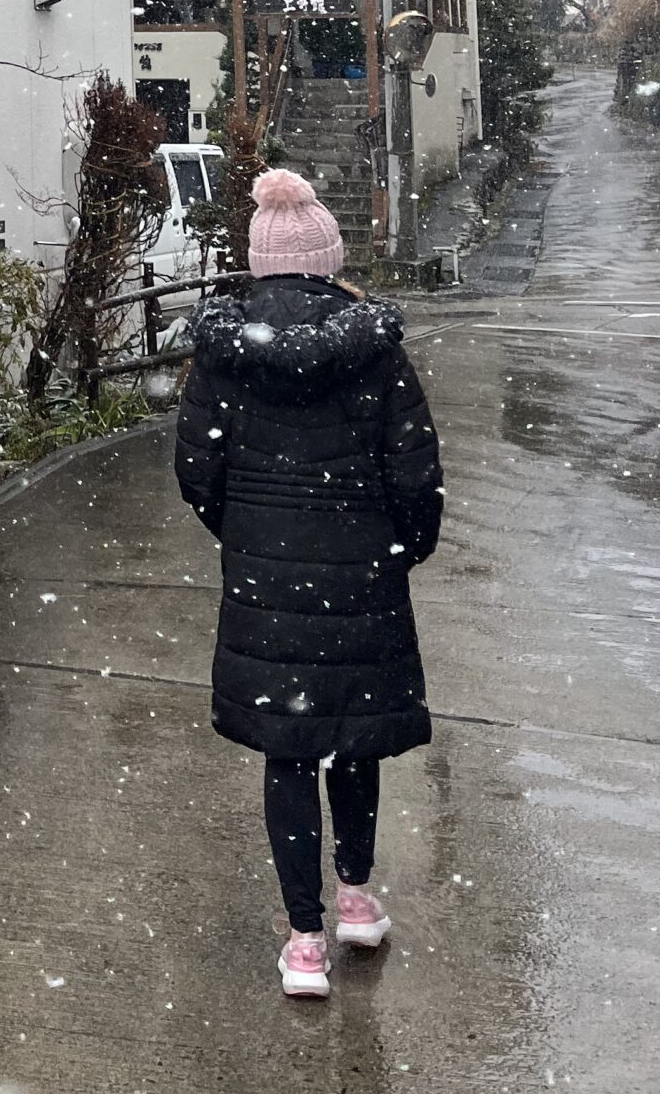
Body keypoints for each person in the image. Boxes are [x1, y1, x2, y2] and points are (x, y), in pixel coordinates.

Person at [174, 164, 443, 998]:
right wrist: (402, 549)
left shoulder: (223, 354)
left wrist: (248, 534)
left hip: (265, 580)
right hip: (362, 575)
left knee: (289, 753)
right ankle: (356, 896)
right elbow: (415, 472)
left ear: (257, 261)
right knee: (352, 741)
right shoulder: (376, 349)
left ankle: (302, 942)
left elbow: (197, 472)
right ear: (328, 260)